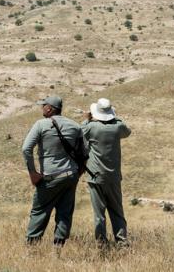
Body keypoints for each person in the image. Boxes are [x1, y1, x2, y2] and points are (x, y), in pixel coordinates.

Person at [22, 95, 82, 247]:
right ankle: (58, 248)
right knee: (64, 213)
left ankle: (32, 248)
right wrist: (77, 173)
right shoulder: (75, 126)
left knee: (39, 211)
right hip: (70, 175)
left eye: (43, 106)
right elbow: (85, 154)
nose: (42, 108)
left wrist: (32, 173)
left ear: (49, 108)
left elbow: (26, 149)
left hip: (50, 176)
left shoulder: (41, 124)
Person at [81, 98, 131, 246]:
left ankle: (102, 243)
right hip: (114, 176)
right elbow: (127, 131)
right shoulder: (118, 127)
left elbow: (79, 132)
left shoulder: (91, 127)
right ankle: (122, 242)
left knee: (99, 213)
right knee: (117, 211)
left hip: (95, 176)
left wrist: (87, 119)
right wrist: (115, 117)